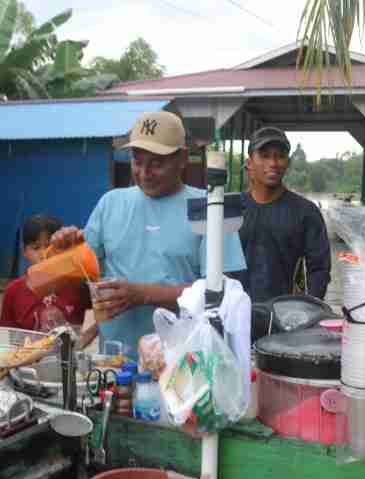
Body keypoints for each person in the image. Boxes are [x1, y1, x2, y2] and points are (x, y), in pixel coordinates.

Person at [51, 111, 246, 358]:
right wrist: (65, 254)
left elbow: (222, 295)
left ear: (182, 158)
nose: (144, 173)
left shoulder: (211, 209)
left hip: (186, 363)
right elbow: (82, 276)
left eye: (156, 163)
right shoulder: (111, 203)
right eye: (137, 160)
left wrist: (142, 295)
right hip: (116, 362)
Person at [239, 126, 331, 303]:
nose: (273, 163)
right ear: (249, 163)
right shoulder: (232, 209)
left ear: (287, 162)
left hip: (285, 313)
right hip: (236, 311)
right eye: (264, 156)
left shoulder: (306, 212)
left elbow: (319, 269)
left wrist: (307, 309)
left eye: (280, 156)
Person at [0, 214, 97, 346]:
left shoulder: (78, 285)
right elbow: (14, 341)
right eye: (36, 248)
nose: (43, 254)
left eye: (49, 247)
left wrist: (83, 342)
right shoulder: (13, 291)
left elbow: (105, 312)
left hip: (68, 358)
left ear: (63, 249)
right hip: (27, 358)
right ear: (24, 252)